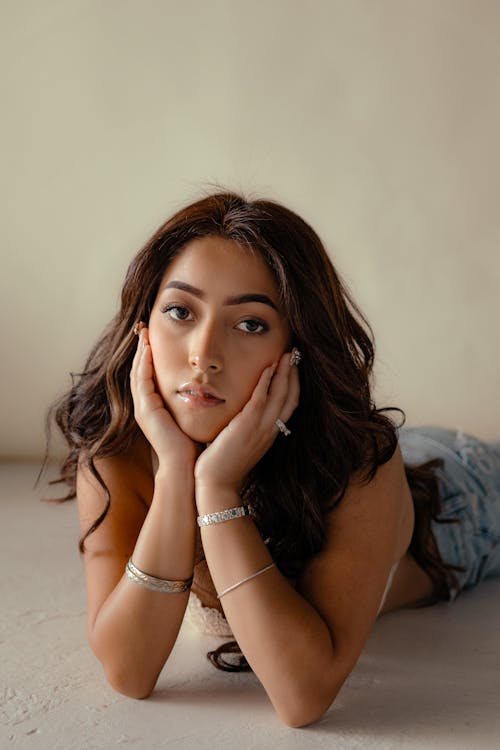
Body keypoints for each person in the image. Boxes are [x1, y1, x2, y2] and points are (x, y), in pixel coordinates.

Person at [49, 190, 500, 728]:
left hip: (463, 494)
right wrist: (176, 474)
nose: (203, 354)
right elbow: (129, 670)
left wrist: (215, 488)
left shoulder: (359, 463)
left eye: (251, 324)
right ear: (142, 330)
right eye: (179, 311)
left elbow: (302, 696)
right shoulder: (117, 455)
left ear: (296, 350)